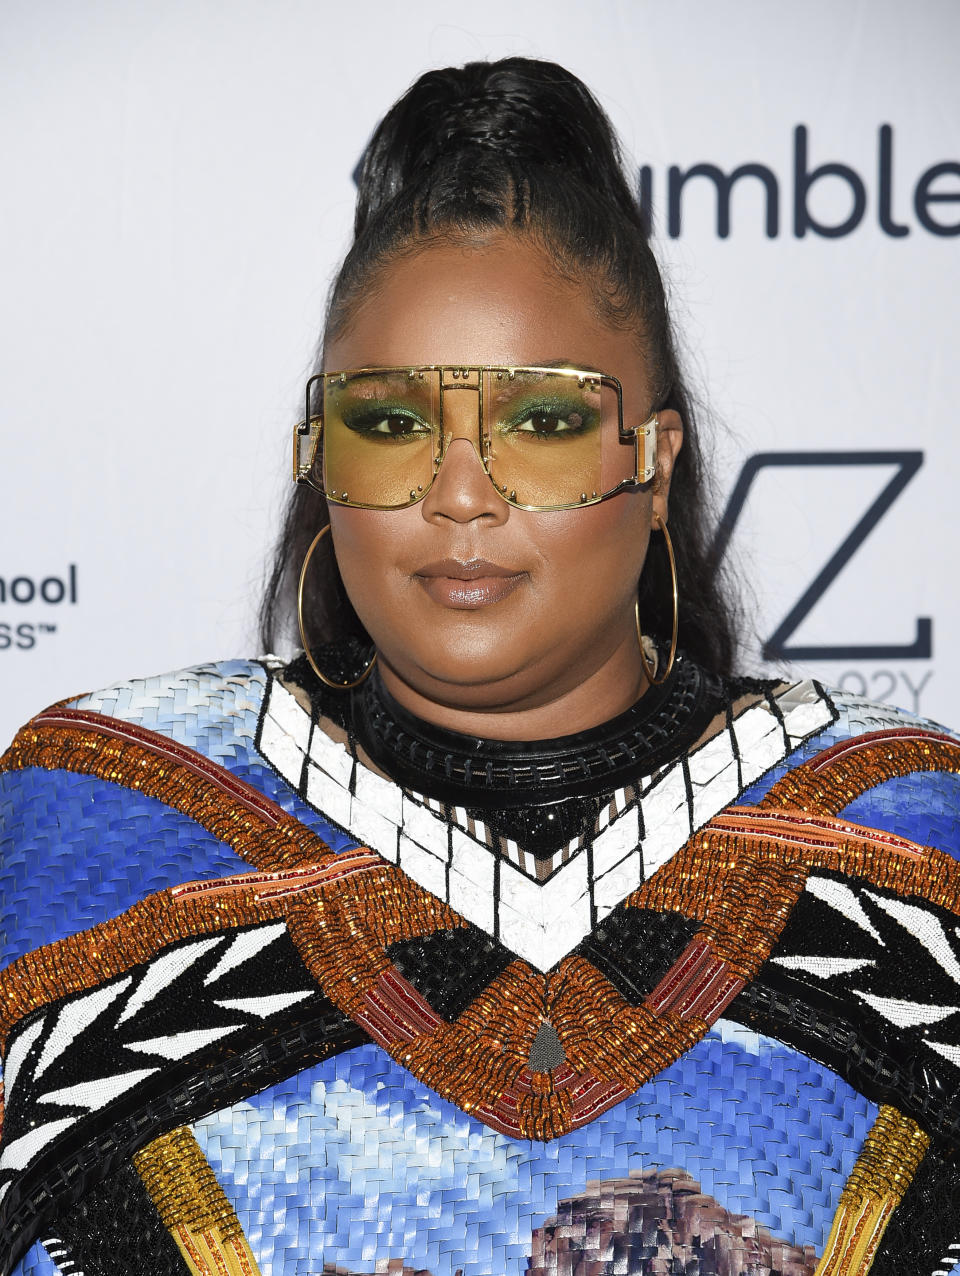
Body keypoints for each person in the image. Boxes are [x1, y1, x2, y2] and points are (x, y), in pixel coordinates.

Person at [1, 57, 958, 1276]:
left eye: (544, 424)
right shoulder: (95, 821)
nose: (459, 495)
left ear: (655, 463)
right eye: (390, 422)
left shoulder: (909, 833)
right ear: (319, 455)